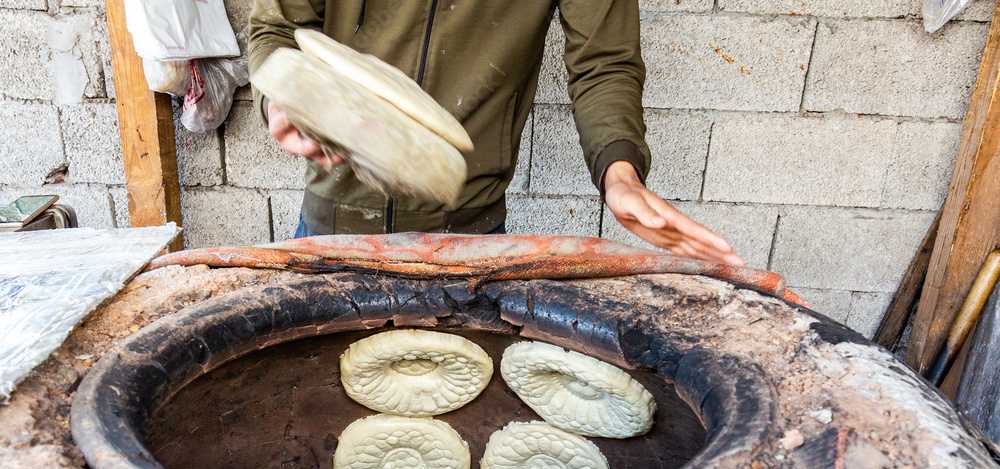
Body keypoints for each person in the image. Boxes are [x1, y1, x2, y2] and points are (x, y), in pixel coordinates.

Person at [248, 0, 743, 265]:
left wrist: (620, 173)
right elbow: (275, 29)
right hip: (332, 227)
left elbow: (603, 62)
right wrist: (282, 97)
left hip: (468, 237)